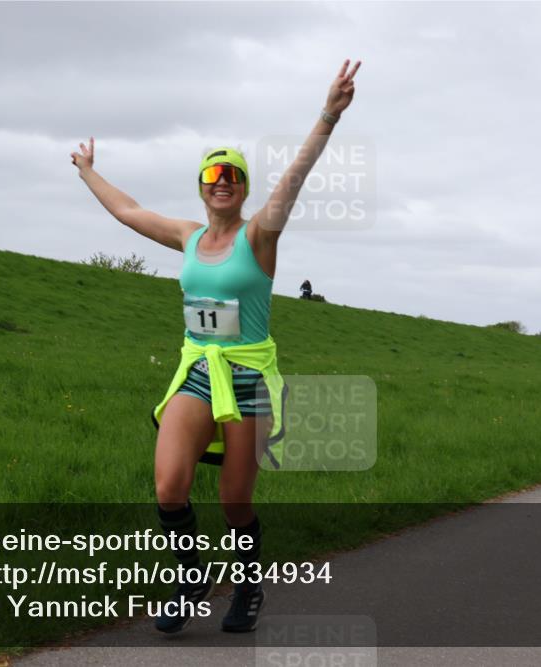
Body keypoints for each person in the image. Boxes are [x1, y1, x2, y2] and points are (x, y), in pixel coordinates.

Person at [70, 59, 361, 634]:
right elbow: (130, 212)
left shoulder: (260, 236)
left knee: (234, 502)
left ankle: (249, 586)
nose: (222, 181)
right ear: (202, 188)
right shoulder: (188, 235)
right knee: (169, 485)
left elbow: (294, 179)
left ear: (243, 188)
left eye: (232, 175)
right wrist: (86, 172)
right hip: (198, 370)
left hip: (248, 377)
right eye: (213, 175)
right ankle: (190, 578)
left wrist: (328, 114)